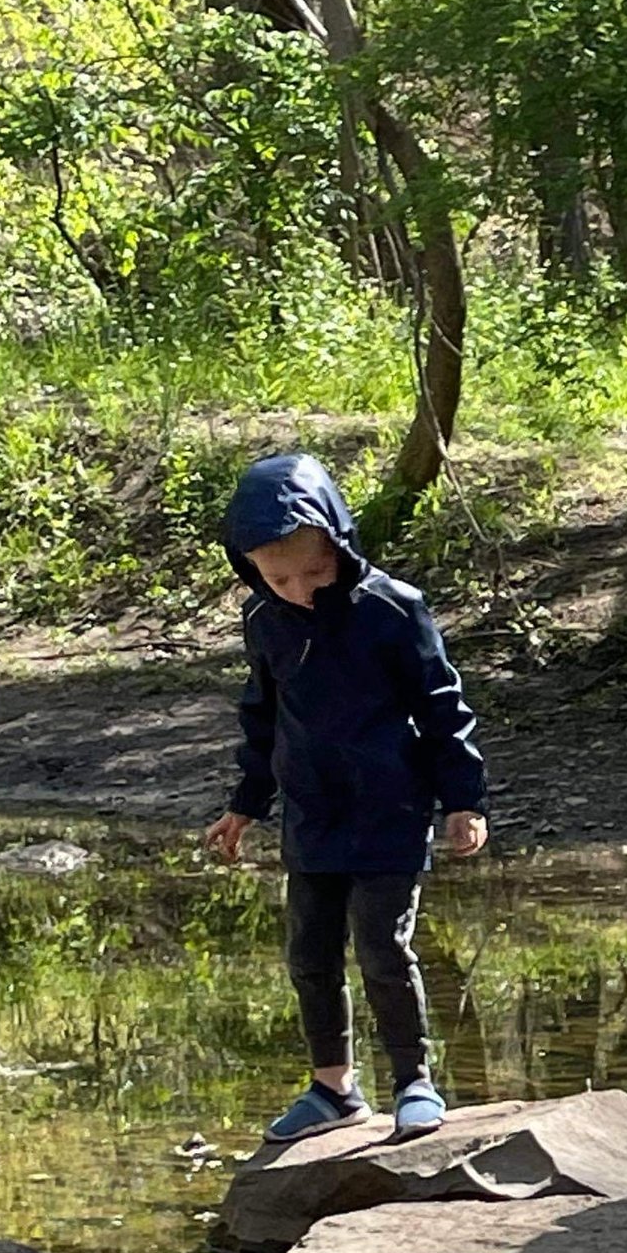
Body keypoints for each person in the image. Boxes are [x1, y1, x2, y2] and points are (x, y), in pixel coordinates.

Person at [203, 451, 488, 1144]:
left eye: (314, 571)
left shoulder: (393, 609)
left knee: (384, 948)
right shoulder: (265, 621)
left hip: (389, 807)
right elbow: (262, 717)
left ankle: (414, 1080)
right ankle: (333, 1088)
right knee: (310, 953)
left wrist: (463, 799)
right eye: (277, 577)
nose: (298, 588)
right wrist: (246, 801)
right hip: (313, 813)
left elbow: (444, 707)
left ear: (340, 541)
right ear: (250, 570)